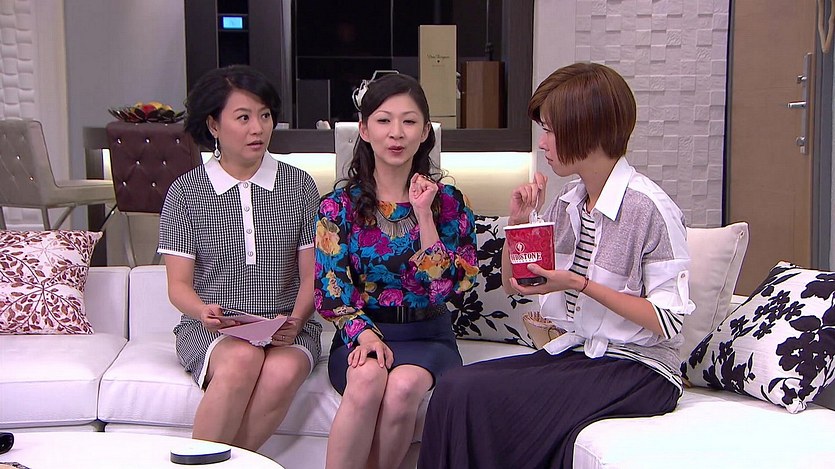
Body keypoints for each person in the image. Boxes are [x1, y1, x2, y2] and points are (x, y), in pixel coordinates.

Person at [418, 62, 696, 468]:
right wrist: (519, 224)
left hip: (642, 369)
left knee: (473, 394)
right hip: (581, 355)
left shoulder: (650, 208)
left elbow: (668, 322)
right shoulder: (568, 203)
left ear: (587, 128)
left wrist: (579, 284)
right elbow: (517, 286)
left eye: (549, 129)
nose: (543, 143)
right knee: (455, 387)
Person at [314, 73, 479, 469]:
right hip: (362, 333)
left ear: (425, 132)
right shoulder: (337, 206)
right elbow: (331, 289)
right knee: (367, 379)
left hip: (428, 335)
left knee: (402, 387)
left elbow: (448, 290)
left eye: (409, 121)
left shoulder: (449, 203)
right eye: (384, 120)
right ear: (365, 129)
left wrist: (424, 216)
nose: (396, 133)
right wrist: (363, 333)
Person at [158, 64, 322, 452]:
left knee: (282, 372)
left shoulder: (299, 185)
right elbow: (178, 286)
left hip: (288, 325)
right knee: (242, 360)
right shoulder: (186, 192)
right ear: (213, 125)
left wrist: (296, 321)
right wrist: (202, 311)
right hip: (212, 328)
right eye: (243, 117)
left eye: (264, 116)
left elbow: (312, 276)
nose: (258, 129)